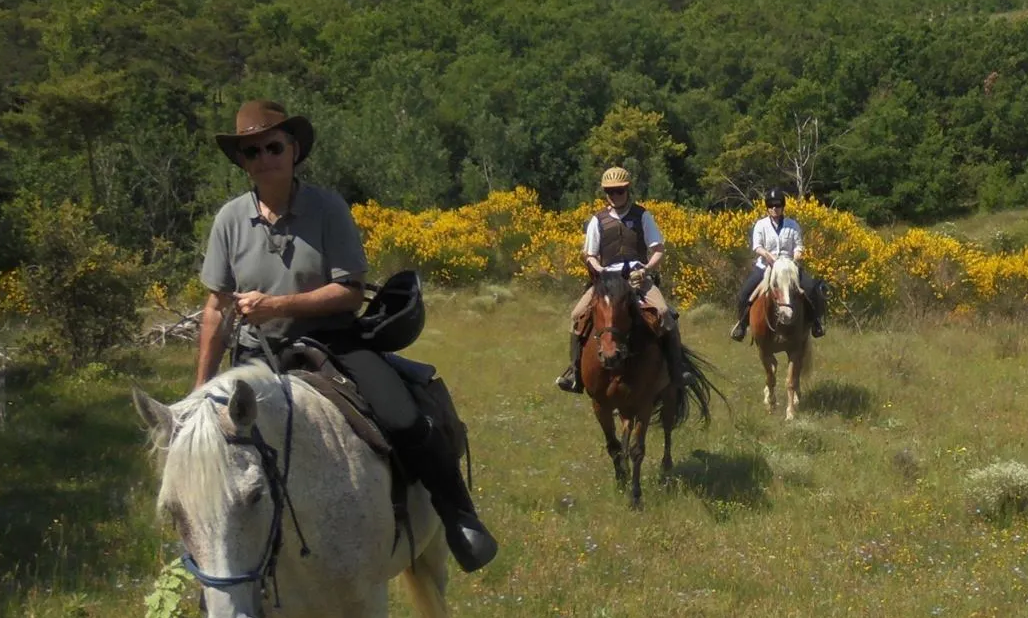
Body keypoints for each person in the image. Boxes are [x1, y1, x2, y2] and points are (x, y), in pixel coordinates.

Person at [195, 100, 498, 572]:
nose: (263, 158)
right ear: (242, 162)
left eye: (273, 146)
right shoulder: (229, 220)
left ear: (293, 150)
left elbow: (350, 292)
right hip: (257, 355)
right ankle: (217, 566)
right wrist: (201, 388)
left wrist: (276, 305)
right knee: (214, 451)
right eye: (251, 152)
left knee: (403, 418)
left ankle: (459, 518)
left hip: (332, 341)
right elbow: (216, 307)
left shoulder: (326, 208)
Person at [555, 166, 694, 393]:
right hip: (607, 280)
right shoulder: (597, 220)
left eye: (619, 191)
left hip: (638, 277)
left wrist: (646, 269)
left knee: (663, 312)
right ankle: (574, 372)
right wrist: (600, 270)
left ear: (627, 190)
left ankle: (678, 369)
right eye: (610, 191)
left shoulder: (643, 216)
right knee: (576, 315)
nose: (615, 195)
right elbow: (589, 255)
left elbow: (658, 249)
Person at [729, 188, 826, 341]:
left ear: (782, 206)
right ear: (767, 207)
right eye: (771, 205)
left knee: (812, 288)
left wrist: (797, 255)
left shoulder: (792, 225)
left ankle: (816, 323)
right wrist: (768, 255)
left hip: (789, 267)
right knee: (743, 294)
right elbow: (757, 246)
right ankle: (742, 326)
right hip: (765, 267)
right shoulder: (760, 225)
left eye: (778, 205)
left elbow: (798, 245)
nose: (774, 208)